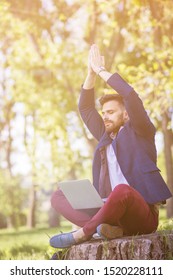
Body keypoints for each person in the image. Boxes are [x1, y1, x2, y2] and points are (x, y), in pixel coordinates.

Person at [50, 44, 172, 248]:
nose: (105, 116)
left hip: (142, 215)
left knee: (122, 190)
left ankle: (82, 234)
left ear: (126, 115)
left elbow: (130, 96)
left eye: (111, 112)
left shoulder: (141, 131)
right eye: (104, 112)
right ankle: (107, 229)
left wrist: (100, 70)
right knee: (58, 196)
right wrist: (90, 74)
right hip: (110, 213)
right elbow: (85, 107)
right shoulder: (104, 137)